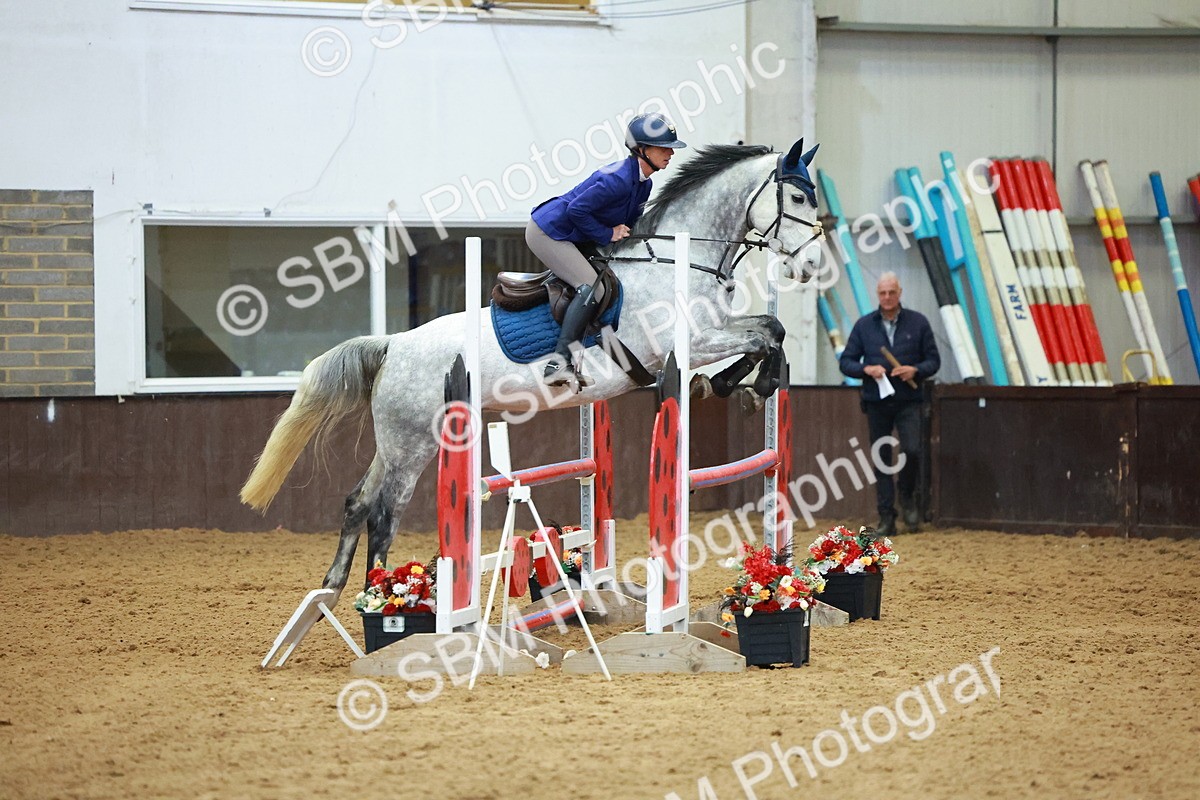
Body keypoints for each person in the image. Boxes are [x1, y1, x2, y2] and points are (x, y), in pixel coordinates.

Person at [527, 112, 687, 386]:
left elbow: (630, 224)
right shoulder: (617, 179)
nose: (671, 153)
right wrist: (608, 233)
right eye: (663, 147)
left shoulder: (644, 184)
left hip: (575, 234)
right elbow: (577, 210)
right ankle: (559, 362)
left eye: (670, 147)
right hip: (549, 231)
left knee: (610, 283)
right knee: (591, 288)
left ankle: (603, 349)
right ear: (641, 150)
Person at [839, 272, 940, 535]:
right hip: (876, 403)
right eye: (882, 293)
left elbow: (934, 361)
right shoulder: (864, 326)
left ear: (900, 292)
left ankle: (907, 497)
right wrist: (866, 369)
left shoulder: (918, 323)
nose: (886, 297)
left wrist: (915, 370)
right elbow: (846, 362)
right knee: (882, 459)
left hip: (909, 401)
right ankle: (887, 517)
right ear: (877, 294)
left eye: (891, 292)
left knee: (912, 450)